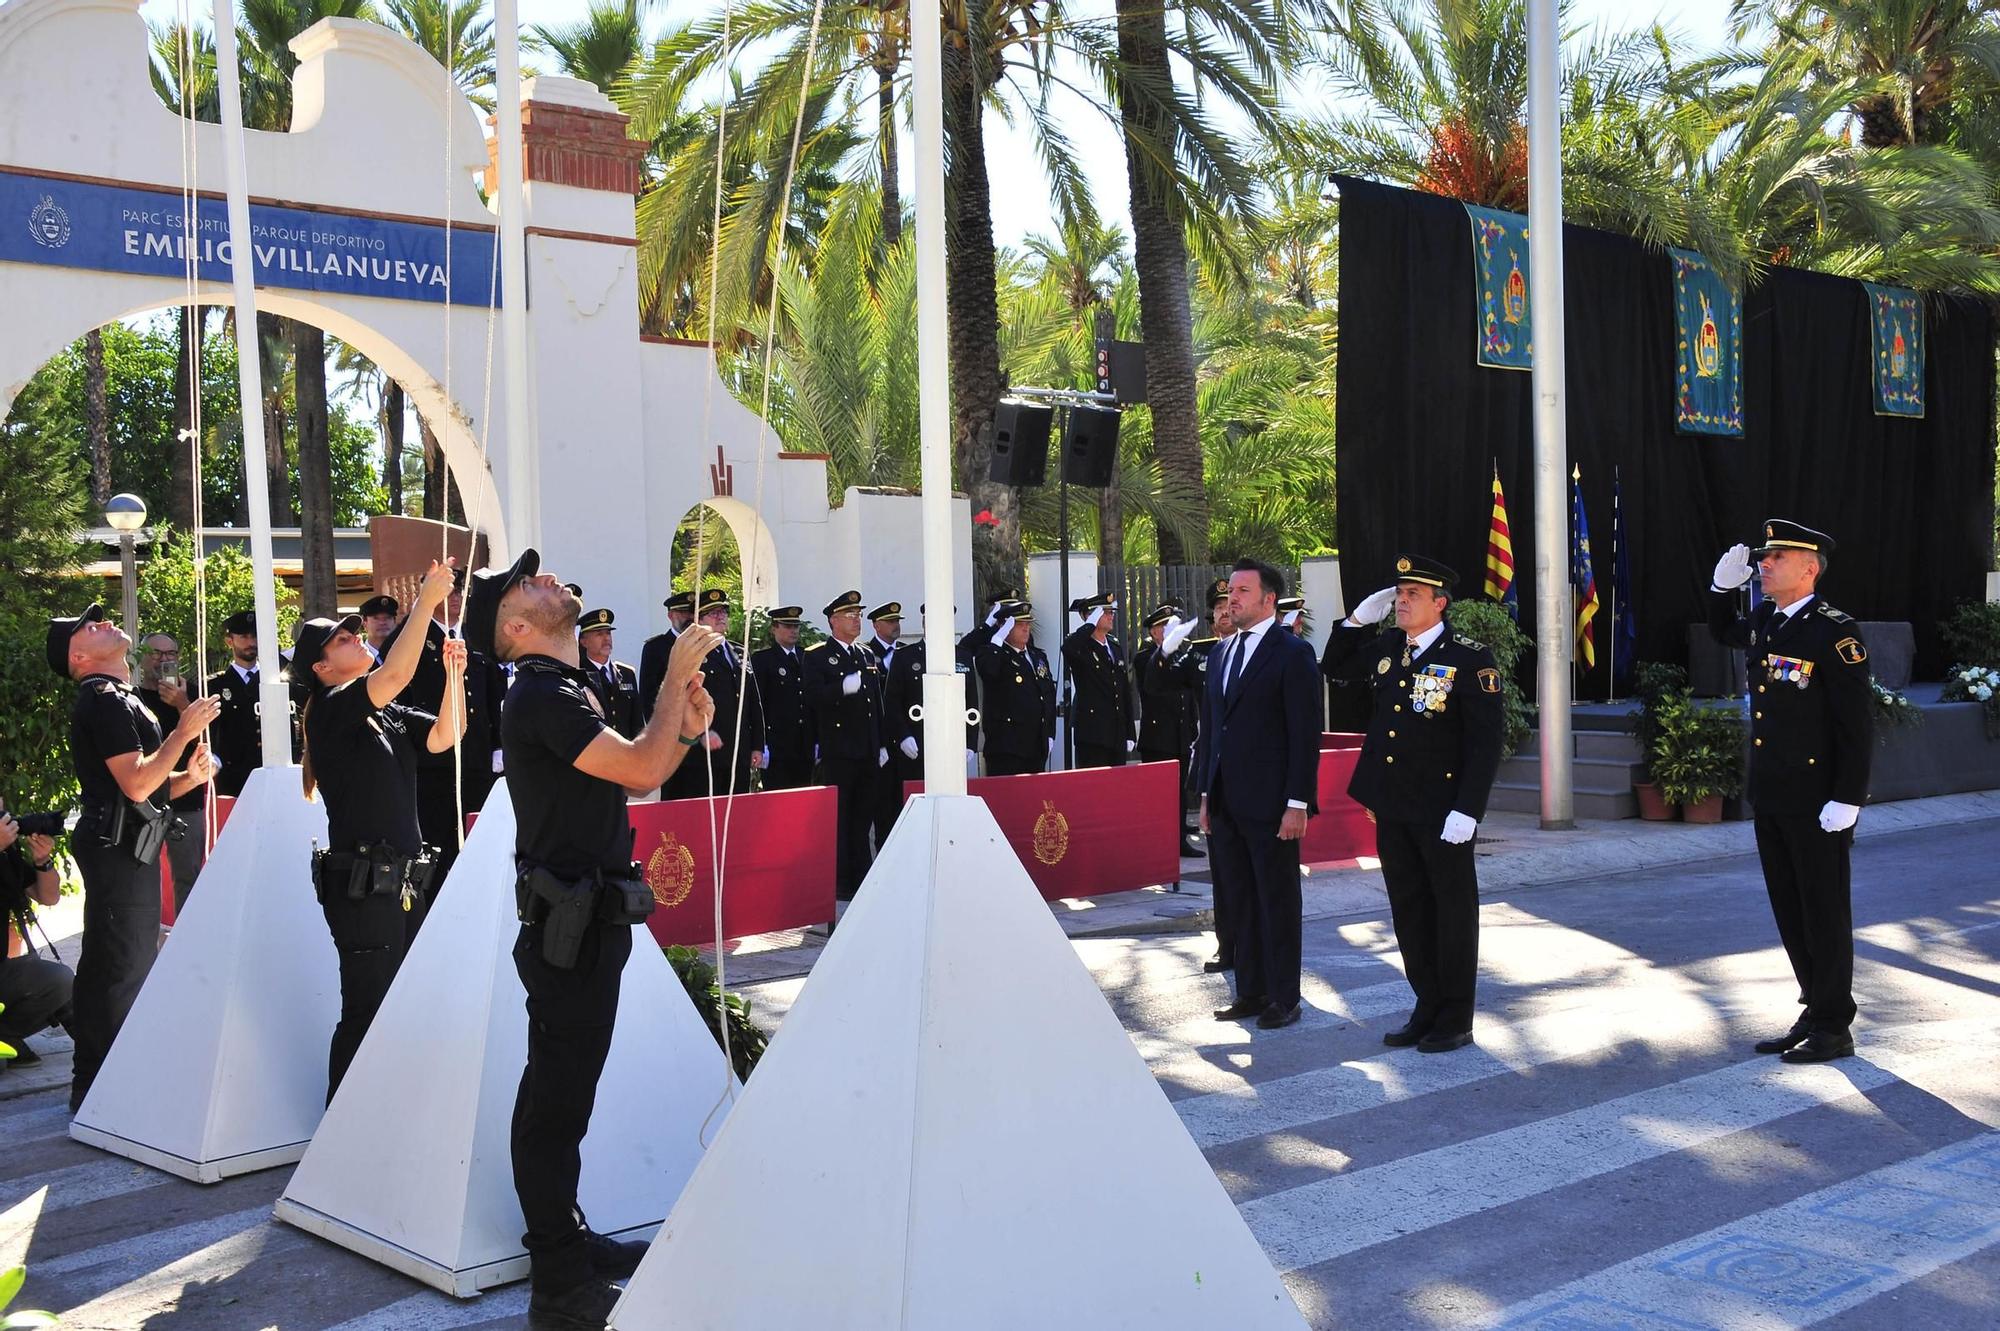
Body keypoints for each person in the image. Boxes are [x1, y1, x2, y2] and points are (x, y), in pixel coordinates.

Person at [466, 550, 718, 1331]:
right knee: (556, 1109)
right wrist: (675, 680)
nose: (547, 578)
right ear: (515, 626)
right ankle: (559, 1288)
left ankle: (563, 1241)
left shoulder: (563, 688)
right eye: (527, 583)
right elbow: (643, 765)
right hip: (569, 932)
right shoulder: (543, 692)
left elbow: (645, 769)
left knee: (553, 1097)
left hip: (582, 925)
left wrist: (684, 728)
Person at [294, 559, 468, 1099]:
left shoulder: (381, 713)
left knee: (397, 1006)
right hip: (365, 886)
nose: (353, 636)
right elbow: (393, 675)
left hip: (401, 883)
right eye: (341, 638)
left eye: (352, 631)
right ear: (321, 668)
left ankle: (380, 1117)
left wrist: (455, 678)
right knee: (366, 1009)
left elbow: (445, 737)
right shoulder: (331, 708)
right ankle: (339, 1132)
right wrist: (426, 603)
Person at [1320, 555, 1504, 1054]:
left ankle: (1455, 1016)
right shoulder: (1389, 648)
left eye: (1413, 595)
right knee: (1409, 910)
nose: (1401, 601)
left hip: (1444, 814)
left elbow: (1484, 743)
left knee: (1452, 912)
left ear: (1439, 603)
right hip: (1393, 806)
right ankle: (1426, 1004)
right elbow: (1333, 669)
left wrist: (1469, 809)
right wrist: (1356, 620)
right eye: (1399, 592)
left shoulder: (1470, 658)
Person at [1708, 519, 1872, 1064]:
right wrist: (1719, 591)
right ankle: (1815, 1005)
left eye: (1777, 556)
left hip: (1818, 798)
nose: (1765, 564)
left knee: (1824, 911)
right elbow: (1722, 633)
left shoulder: (1834, 631)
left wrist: (1848, 797)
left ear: (1809, 568)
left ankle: (1835, 1025)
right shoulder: (1766, 620)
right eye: (1765, 556)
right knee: (1790, 909)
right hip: (1773, 792)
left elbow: (1855, 724)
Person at [52, 604, 220, 1111]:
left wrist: (188, 777)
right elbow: (137, 782)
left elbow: (143, 782)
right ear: (78, 656)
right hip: (117, 845)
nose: (103, 621)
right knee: (119, 964)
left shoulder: (118, 697)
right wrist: (182, 732)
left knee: (128, 958)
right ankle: (102, 1088)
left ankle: (108, 1083)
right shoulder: (103, 699)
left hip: (128, 841)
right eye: (90, 625)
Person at [1196, 560, 1320, 1031]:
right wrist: (1206, 794)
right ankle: (1249, 990)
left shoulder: (1292, 653)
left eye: (1243, 590)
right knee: (1240, 900)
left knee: (1277, 900)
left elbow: (1304, 734)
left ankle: (1284, 996)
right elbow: (1213, 732)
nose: (1232, 598)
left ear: (1270, 599)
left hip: (1272, 804)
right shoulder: (1220, 654)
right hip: (1226, 801)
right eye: (1230, 590)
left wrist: (1297, 802)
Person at [383, 568, 505, 892]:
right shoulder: (409, 638)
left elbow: (492, 695)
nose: (454, 598)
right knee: (437, 848)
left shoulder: (475, 636)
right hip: (432, 765)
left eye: (458, 592)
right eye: (447, 591)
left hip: (476, 761)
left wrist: (497, 746)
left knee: (478, 844)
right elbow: (398, 697)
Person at [803, 590, 886, 899]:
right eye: (850, 615)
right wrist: (840, 687)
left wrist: (881, 743)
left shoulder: (865, 654)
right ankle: (840, 883)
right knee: (841, 819)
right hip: (838, 750)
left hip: (866, 749)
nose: (857, 620)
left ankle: (861, 878)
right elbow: (812, 698)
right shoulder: (817, 655)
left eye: (859, 614)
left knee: (863, 818)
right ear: (833, 621)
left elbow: (876, 703)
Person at [664, 590, 765, 799]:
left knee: (737, 812)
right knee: (706, 816)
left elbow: (752, 701)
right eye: (713, 613)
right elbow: (682, 697)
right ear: (699, 620)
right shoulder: (691, 652)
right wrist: (701, 733)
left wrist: (757, 744)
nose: (721, 617)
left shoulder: (739, 652)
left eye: (723, 612)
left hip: (738, 748)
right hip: (706, 750)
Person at [135, 633, 208, 912]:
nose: (165, 660)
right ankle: (148, 946)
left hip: (187, 800)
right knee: (142, 877)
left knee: (189, 877)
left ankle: (188, 944)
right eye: (157, 654)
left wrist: (182, 703)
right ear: (142, 656)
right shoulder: (133, 698)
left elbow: (208, 743)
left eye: (171, 654)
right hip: (145, 801)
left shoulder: (194, 694)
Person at [880, 603, 978, 803]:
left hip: (951, 744)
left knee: (952, 801)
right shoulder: (905, 656)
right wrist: (902, 736)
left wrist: (970, 742)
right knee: (914, 803)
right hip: (916, 744)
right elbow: (892, 702)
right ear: (925, 623)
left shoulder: (963, 656)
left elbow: (971, 702)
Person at [0, 799, 72, 1070]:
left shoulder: (7, 855)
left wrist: (42, 861)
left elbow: (48, 896)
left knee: (60, 981)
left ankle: (6, 1035)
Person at [1134, 604, 1204, 857]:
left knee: (1179, 793)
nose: (1168, 631)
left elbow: (1188, 695)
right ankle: (1161, 841)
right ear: (1153, 632)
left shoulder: (1181, 654)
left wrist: (1193, 726)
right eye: (1163, 627)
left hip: (1181, 733)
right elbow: (1152, 683)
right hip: (1158, 736)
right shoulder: (1146, 657)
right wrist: (1166, 650)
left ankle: (1179, 840)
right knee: (1160, 794)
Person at [974, 600, 1058, 776]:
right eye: (1019, 624)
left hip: (1036, 745)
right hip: (1007, 747)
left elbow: (1048, 695)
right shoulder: (992, 653)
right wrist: (997, 639)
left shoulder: (1037, 656)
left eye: (1027, 624)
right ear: (1004, 626)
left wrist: (1049, 732)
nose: (1026, 629)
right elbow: (989, 671)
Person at [1062, 592, 1136, 768]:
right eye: (1106, 612)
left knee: (1116, 790)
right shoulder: (1081, 645)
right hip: (1093, 734)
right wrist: (1089, 625)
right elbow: (1068, 648)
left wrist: (1130, 732)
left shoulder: (1114, 646)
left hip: (1116, 732)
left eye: (1112, 612)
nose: (1111, 616)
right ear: (1091, 616)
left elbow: (1123, 690)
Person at [205, 609, 269, 797]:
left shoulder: (275, 680)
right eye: (244, 637)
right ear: (229, 641)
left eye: (255, 636)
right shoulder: (214, 685)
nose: (251, 643)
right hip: (234, 781)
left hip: (270, 773)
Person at [749, 607, 814, 790]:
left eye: (796, 626)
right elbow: (758, 704)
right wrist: (761, 744)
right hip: (778, 745)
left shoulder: (807, 657)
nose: (793, 630)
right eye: (787, 625)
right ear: (774, 628)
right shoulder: (763, 660)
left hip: (805, 744)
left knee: (803, 796)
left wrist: (817, 739)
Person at [576, 608, 641, 740]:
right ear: (584, 641)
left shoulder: (627, 673)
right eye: (599, 634)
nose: (606, 639)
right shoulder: (578, 675)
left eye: (608, 633)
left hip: (627, 752)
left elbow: (637, 721)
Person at [636, 590, 696, 725]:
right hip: (673, 727)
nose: (690, 617)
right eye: (683, 612)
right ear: (671, 615)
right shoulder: (655, 648)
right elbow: (649, 695)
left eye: (692, 612)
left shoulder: (703, 644)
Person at [359, 594, 401, 660]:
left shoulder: (404, 654)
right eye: (376, 618)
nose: (382, 622)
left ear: (395, 622)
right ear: (364, 624)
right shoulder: (356, 657)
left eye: (388, 617)